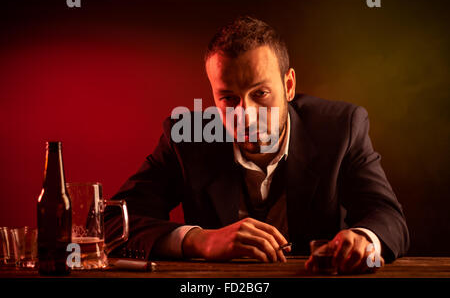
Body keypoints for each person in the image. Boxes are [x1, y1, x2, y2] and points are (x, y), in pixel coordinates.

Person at [105, 16, 409, 274]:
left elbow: (387, 216)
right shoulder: (187, 136)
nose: (246, 114)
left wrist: (363, 238)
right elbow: (112, 223)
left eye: (260, 93)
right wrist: (202, 241)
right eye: (228, 99)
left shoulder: (342, 127)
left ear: (289, 86)